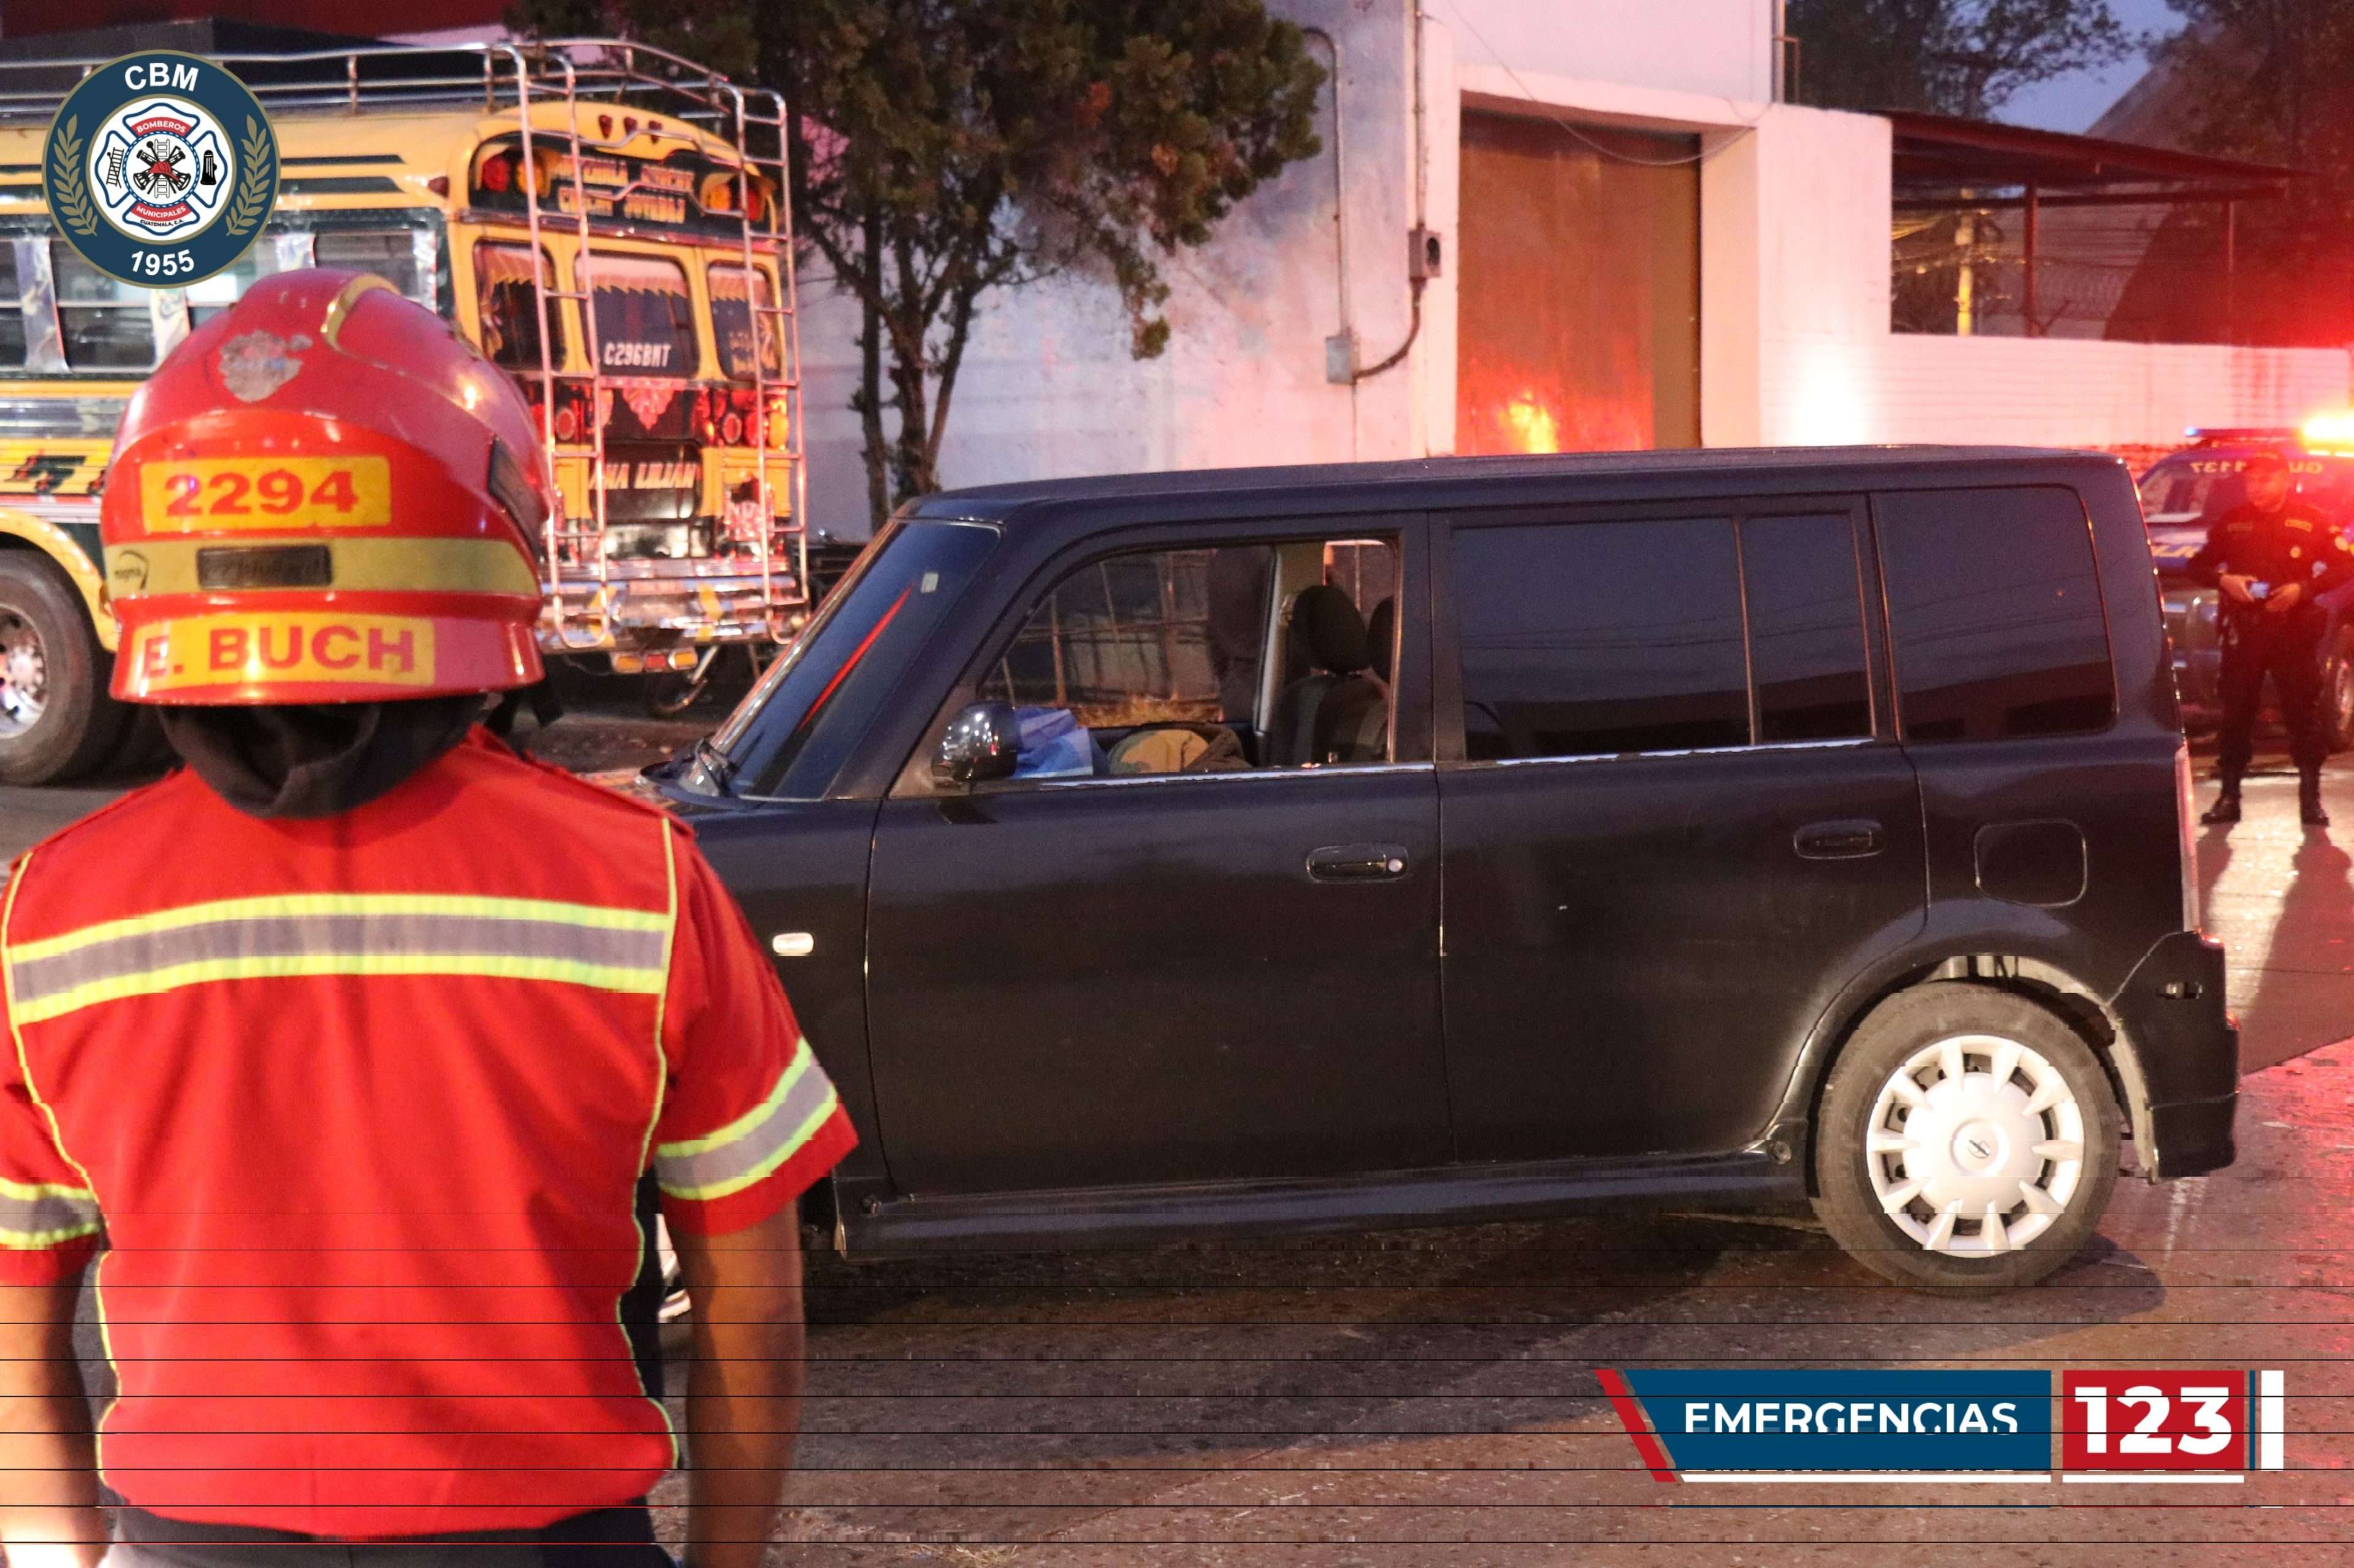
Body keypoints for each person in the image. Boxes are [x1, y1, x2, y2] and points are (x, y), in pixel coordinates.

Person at [0, 271, 855, 1568]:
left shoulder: (50, 914)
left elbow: (18, 1346)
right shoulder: (643, 885)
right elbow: (756, 1314)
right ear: (485, 532)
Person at [2188, 447, 2354, 828]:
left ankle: (2311, 800)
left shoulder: (2310, 521)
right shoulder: (2234, 522)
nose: (2257, 487)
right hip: (2245, 633)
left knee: (2302, 715)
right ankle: (2229, 797)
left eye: (2266, 479)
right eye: (2251, 480)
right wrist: (2225, 580)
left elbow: (2345, 565)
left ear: (2284, 480)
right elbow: (2197, 565)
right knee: (2235, 716)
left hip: (2292, 633)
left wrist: (2303, 590)